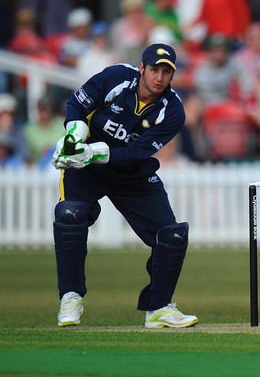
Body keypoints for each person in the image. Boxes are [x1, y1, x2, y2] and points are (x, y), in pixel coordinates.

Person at [51, 43, 199, 329]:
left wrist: (92, 152)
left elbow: (136, 152)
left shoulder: (173, 112)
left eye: (166, 72)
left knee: (172, 236)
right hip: (86, 170)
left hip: (132, 173)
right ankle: (70, 297)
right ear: (142, 68)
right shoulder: (116, 77)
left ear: (172, 76)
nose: (159, 77)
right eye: (154, 69)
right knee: (70, 215)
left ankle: (158, 307)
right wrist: (74, 135)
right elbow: (77, 105)